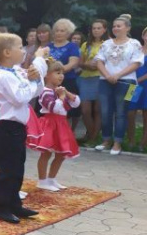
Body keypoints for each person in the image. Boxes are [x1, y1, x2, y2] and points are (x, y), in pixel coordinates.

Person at [0, 33, 47, 224]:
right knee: (8, 169)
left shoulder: (17, 72)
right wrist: (32, 81)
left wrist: (37, 79)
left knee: (17, 167)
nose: (23, 50)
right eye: (20, 47)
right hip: (7, 128)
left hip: (18, 128)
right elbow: (20, 98)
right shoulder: (3, 76)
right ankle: (1, 206)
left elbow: (36, 91)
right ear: (7, 52)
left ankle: (14, 204)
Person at [94, 14, 145, 155]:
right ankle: (106, 140)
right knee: (105, 112)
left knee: (122, 113)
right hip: (105, 81)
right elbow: (99, 61)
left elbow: (136, 63)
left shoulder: (134, 44)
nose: (115, 28)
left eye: (119, 26)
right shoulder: (106, 44)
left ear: (127, 27)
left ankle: (118, 143)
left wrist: (117, 75)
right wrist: (107, 75)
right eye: (114, 26)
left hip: (126, 82)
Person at [30, 60, 81, 192]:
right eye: (57, 72)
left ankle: (51, 179)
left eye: (62, 73)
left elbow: (76, 103)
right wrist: (62, 97)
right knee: (46, 154)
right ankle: (42, 181)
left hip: (61, 124)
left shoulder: (59, 91)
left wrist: (66, 93)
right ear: (46, 75)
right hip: (50, 125)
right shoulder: (45, 91)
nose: (61, 76)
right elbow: (54, 108)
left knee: (61, 155)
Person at [78, 19, 108, 147]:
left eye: (99, 28)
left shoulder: (108, 44)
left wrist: (99, 66)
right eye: (94, 28)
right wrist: (87, 64)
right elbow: (80, 63)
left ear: (104, 29)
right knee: (85, 110)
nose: (96, 30)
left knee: (98, 110)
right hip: (86, 78)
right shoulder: (86, 44)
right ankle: (91, 135)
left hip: (101, 78)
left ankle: (93, 138)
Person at [48, 19, 82, 129]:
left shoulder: (72, 46)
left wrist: (58, 73)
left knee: (66, 111)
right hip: (49, 83)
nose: (58, 33)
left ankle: (66, 135)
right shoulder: (48, 46)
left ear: (68, 33)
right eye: (57, 30)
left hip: (67, 81)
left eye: (62, 31)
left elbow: (73, 62)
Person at [126, 27, 147, 151]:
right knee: (130, 112)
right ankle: (131, 140)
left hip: (144, 85)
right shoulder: (136, 50)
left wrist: (138, 80)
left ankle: (142, 144)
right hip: (133, 86)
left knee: (146, 115)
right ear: (143, 35)